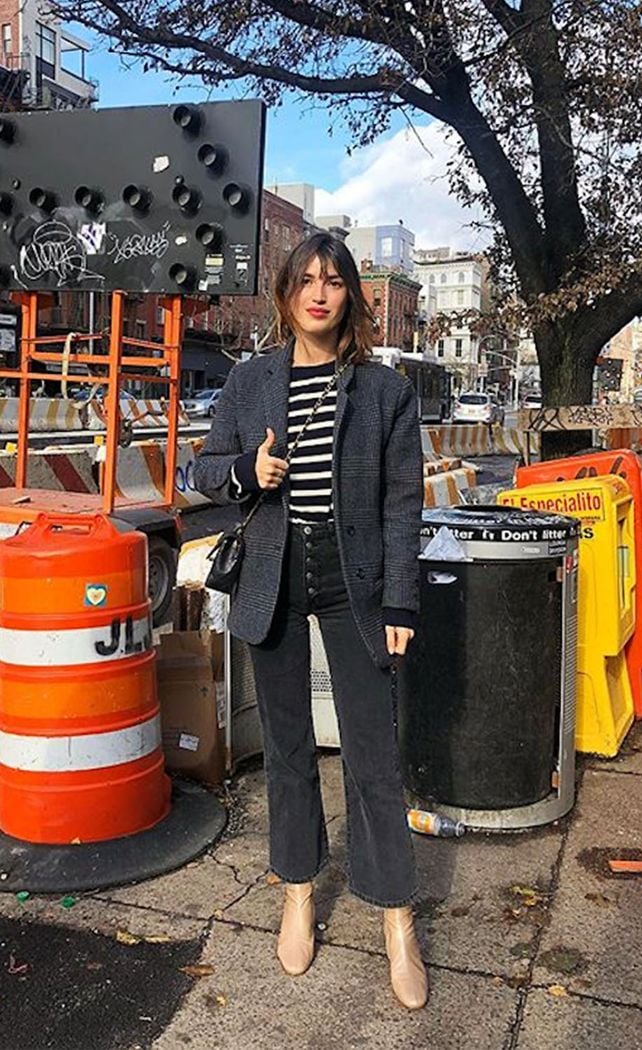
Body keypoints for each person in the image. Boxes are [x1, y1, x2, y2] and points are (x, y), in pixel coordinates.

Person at [193, 233, 428, 1010]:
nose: (320, 294)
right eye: (307, 281)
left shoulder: (384, 390)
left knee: (373, 756)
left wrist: (401, 600)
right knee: (290, 751)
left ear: (351, 295)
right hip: (275, 576)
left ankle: (396, 918)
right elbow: (202, 471)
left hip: (354, 582)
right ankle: (298, 891)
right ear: (286, 294)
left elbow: (403, 503)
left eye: (334, 282)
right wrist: (243, 472)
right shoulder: (251, 381)